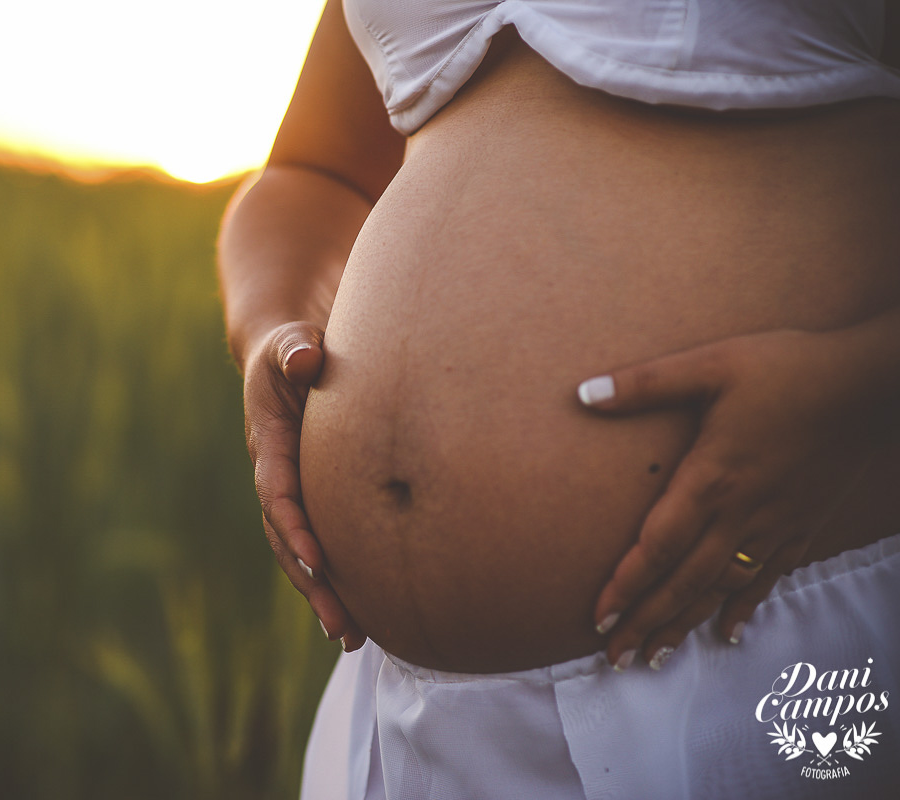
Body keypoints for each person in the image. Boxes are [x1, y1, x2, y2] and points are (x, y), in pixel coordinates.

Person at [217, 1, 900, 797]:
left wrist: (864, 382)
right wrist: (271, 327)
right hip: (402, 712)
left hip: (750, 630)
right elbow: (312, 171)